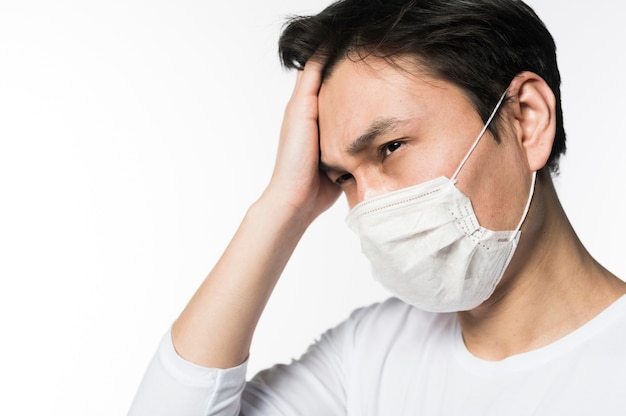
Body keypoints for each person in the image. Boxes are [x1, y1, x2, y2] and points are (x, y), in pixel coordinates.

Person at [128, 0, 626, 414]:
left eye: (390, 148)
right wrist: (281, 206)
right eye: (343, 177)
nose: (367, 205)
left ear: (526, 120)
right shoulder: (369, 353)